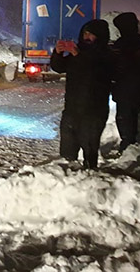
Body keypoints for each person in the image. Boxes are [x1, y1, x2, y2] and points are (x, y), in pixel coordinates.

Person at [51, 19, 113, 169]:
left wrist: (78, 55)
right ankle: (67, 176)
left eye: (91, 34)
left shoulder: (107, 54)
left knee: (90, 147)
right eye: (85, 33)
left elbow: (97, 72)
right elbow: (59, 67)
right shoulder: (79, 51)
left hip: (93, 111)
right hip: (72, 108)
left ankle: (89, 175)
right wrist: (58, 53)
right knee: (68, 147)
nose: (87, 37)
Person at [111, 12, 140, 152]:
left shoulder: (122, 43)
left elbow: (117, 65)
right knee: (132, 116)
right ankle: (130, 143)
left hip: (125, 89)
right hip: (139, 87)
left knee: (124, 118)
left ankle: (128, 146)